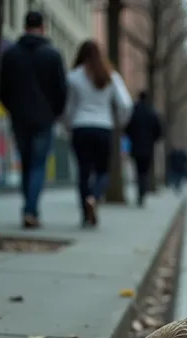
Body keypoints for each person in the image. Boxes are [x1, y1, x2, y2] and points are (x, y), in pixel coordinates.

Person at [0, 10, 67, 228]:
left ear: (24, 26)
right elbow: (60, 91)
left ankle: (29, 208)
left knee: (26, 164)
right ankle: (31, 210)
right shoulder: (52, 55)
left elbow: (3, 89)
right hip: (43, 119)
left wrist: (12, 109)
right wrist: (54, 113)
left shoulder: (11, 54)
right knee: (38, 165)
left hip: (20, 117)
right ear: (43, 27)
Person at [64, 41, 132, 226]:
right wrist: (119, 122)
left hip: (80, 127)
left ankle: (85, 215)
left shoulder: (73, 77)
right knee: (103, 171)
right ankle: (94, 197)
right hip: (103, 128)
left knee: (83, 172)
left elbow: (68, 107)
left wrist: (68, 124)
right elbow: (125, 104)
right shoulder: (111, 76)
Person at [125, 91, 162, 207]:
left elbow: (127, 128)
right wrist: (152, 140)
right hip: (148, 147)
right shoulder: (152, 112)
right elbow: (159, 130)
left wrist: (132, 137)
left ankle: (139, 194)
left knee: (138, 171)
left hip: (136, 146)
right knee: (145, 172)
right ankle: (142, 194)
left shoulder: (134, 111)